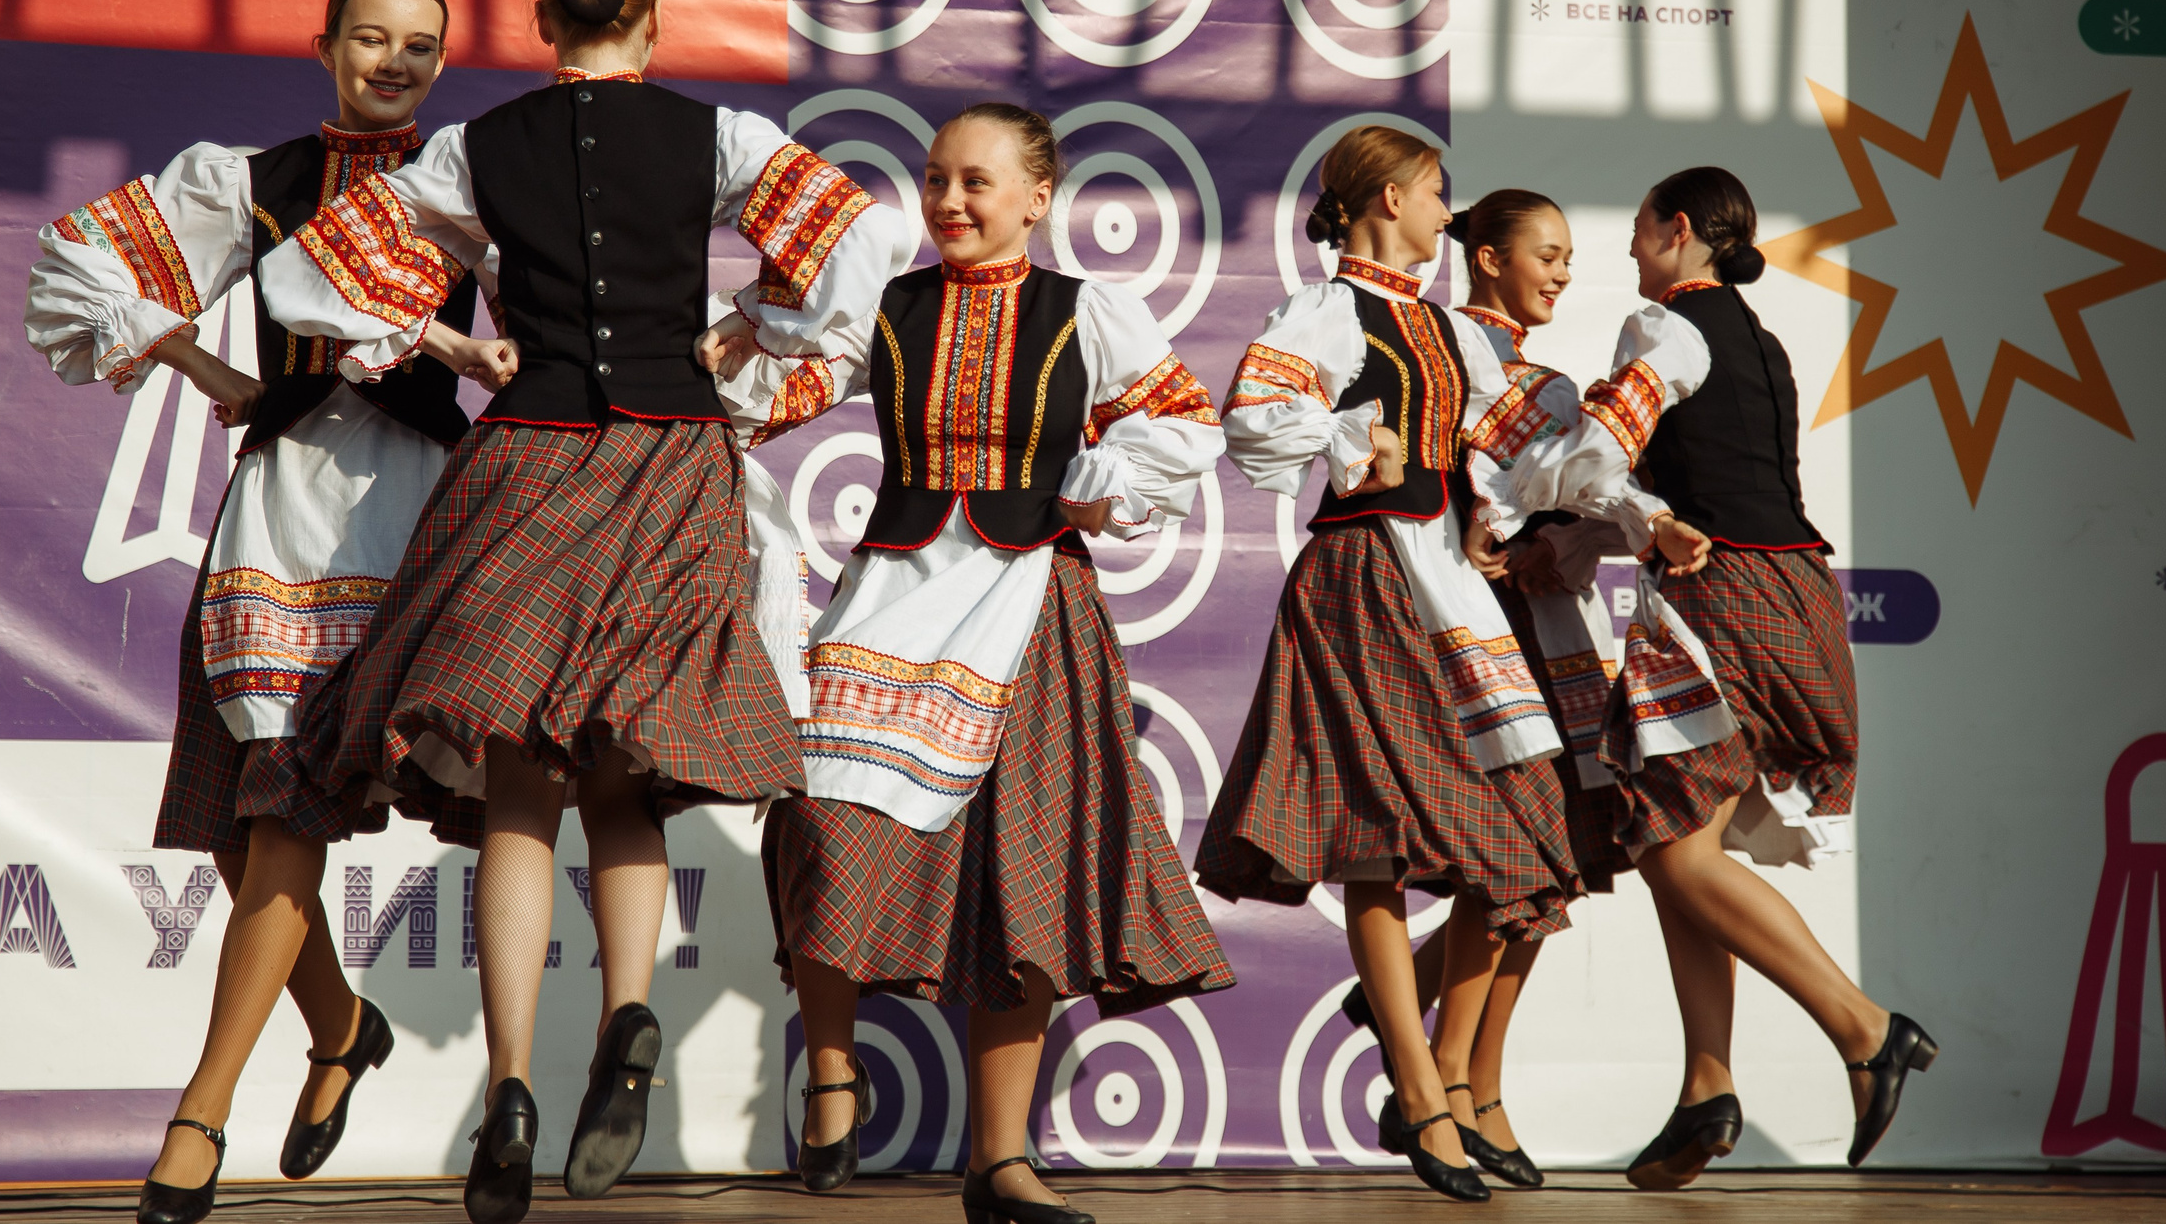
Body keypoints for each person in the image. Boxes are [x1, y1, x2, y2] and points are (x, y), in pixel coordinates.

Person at [254, 0, 905, 1224]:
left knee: (514, 783)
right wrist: (740, 327)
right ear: (651, 18)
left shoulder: (476, 148)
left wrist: (446, 339)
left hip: (532, 457)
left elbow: (302, 277)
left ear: (542, 19)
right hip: (668, 459)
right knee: (627, 779)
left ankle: (509, 1085)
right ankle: (628, 1015)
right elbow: (861, 245)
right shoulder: (717, 137)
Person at [25, 0, 508, 1224]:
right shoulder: (256, 180)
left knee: (284, 818)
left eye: (417, 44)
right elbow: (81, 263)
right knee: (256, 825)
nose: (392, 61)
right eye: (369, 37)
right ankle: (341, 1025)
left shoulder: (470, 184)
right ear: (323, 44)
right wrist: (195, 362)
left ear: (442, 63)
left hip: (411, 508)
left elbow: (550, 325)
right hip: (285, 502)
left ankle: (201, 1114)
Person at [1196, 129, 1704, 1204]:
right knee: (1373, 840)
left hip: (1440, 585)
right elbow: (1251, 424)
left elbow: (1535, 455)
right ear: (1392, 196)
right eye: (1438, 194)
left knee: (1522, 823)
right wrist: (1353, 441)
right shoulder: (1328, 312)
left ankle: (1434, 1081)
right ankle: (1426, 1087)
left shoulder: (1448, 332)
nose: (1447, 211)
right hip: (1360, 577)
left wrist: (1635, 512)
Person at [762, 103, 1231, 1224]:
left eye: (976, 182)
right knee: (822, 816)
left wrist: (1103, 481)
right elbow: (777, 392)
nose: (950, 201)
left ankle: (999, 1161)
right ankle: (834, 1072)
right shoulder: (887, 305)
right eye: (934, 179)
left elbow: (1183, 420)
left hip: (1030, 602)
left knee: (1017, 878)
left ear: (1038, 198)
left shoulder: (1083, 313)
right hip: (893, 594)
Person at [1584, 166, 1938, 1188]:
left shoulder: (1663, 331)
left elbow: (1603, 450)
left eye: (1641, 233)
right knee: (1674, 842)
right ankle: (1707, 1084)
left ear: (1679, 230)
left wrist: (1561, 494)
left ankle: (1864, 1029)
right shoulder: (1759, 341)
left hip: (1719, 599)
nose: (1628, 253)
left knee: (1675, 853)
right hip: (1796, 594)